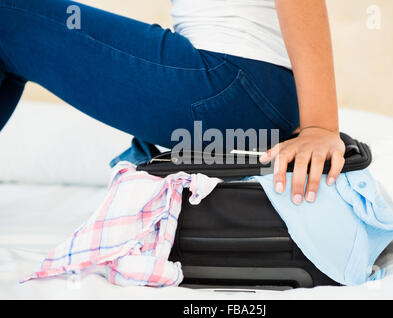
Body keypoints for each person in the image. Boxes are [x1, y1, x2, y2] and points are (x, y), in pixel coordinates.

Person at [0, 0, 345, 204]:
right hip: (247, 93)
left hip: (231, 82)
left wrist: (321, 125)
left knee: (8, 16)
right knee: (18, 30)